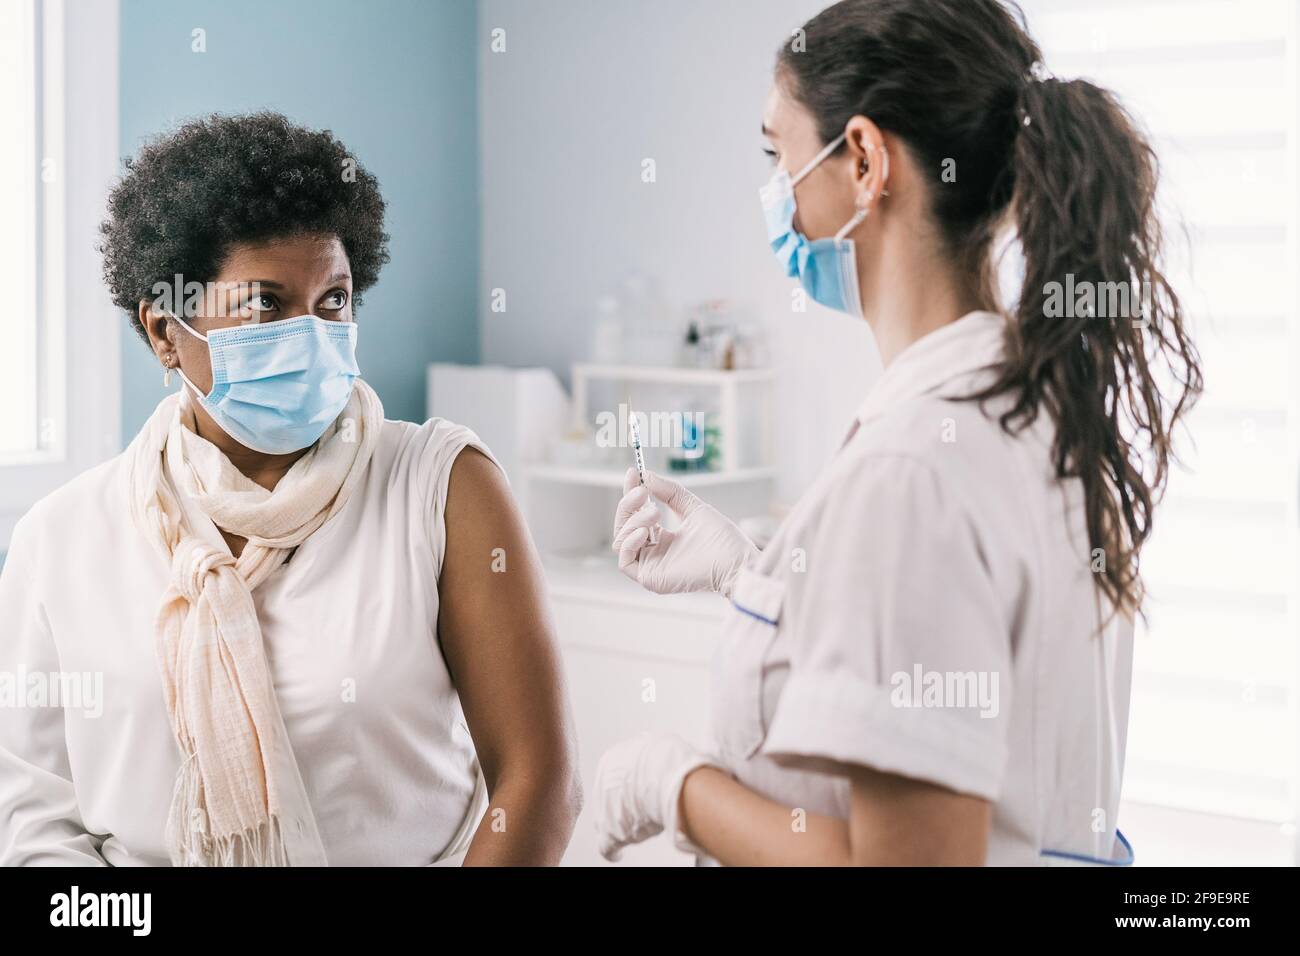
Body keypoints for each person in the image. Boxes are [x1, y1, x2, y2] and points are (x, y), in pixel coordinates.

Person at [594, 0, 1201, 866]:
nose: (775, 195)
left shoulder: (914, 470)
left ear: (866, 160)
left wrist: (672, 785)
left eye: (780, 155)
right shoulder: (1037, 418)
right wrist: (751, 573)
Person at [0, 112, 581, 866]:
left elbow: (537, 784)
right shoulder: (63, 537)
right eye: (264, 304)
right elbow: (34, 813)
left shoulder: (441, 490)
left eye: (332, 301)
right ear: (164, 332)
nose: (309, 334)